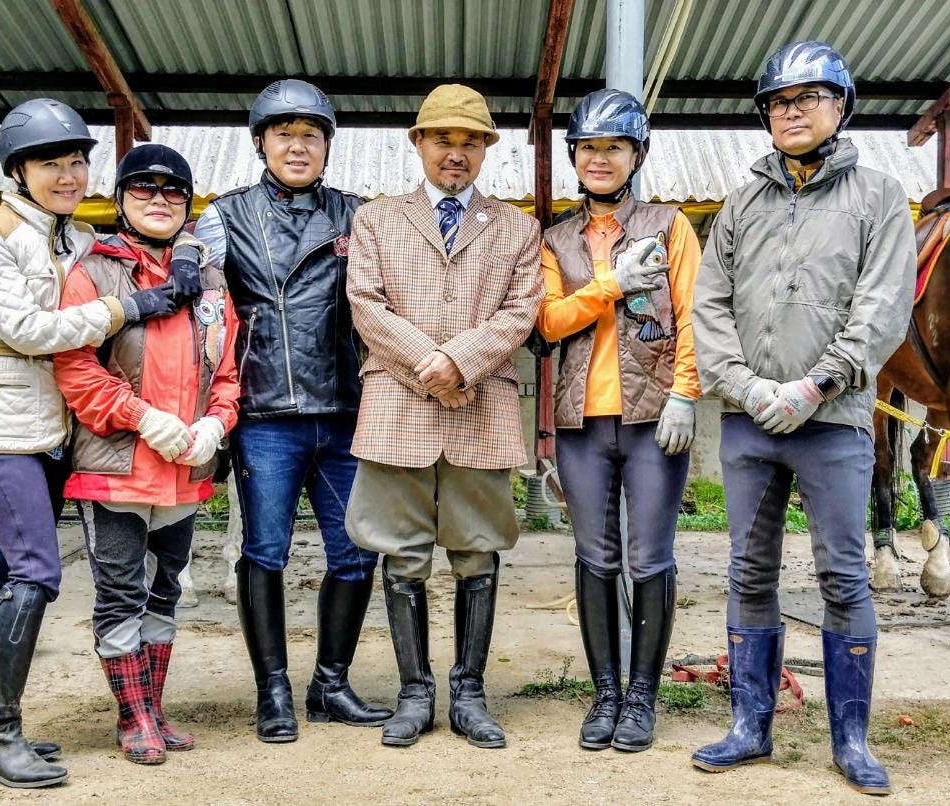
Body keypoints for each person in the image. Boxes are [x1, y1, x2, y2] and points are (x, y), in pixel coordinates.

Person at [690, 41, 914, 796]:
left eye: (808, 98)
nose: (792, 111)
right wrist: (744, 386)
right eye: (779, 102)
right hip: (749, 419)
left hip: (833, 419)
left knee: (843, 574)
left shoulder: (879, 198)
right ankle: (750, 727)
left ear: (840, 106)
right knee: (748, 571)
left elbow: (883, 306)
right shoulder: (741, 203)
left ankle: (851, 741)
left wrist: (817, 385)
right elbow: (709, 303)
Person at [0, 99, 192, 788]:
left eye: (77, 162)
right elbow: (28, 330)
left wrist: (181, 259)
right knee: (35, 570)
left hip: (56, 430)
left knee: (7, 574)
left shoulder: (74, 239)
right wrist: (127, 307)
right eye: (50, 164)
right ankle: (1, 740)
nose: (68, 176)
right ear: (18, 171)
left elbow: (142, 252)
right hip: (1, 428)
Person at [345, 84, 542, 750]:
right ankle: (413, 693)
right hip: (397, 406)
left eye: (469, 142)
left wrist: (460, 362)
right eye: (442, 140)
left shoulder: (516, 227)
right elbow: (366, 304)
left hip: (480, 407)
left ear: (486, 150)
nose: (455, 154)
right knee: (401, 554)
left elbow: (520, 312)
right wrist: (431, 367)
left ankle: (469, 693)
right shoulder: (377, 219)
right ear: (418, 143)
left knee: (477, 550)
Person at [192, 79, 388, 743]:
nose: (298, 146)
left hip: (345, 412)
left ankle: (330, 684)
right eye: (284, 134)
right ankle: (272, 690)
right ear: (260, 143)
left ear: (327, 146)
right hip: (266, 413)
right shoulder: (225, 217)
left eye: (311, 134)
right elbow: (203, 310)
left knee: (356, 552)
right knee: (265, 551)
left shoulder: (360, 216)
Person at [53, 144, 239, 765]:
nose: (159, 200)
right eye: (143, 188)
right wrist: (142, 417)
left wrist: (216, 422)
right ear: (121, 199)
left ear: (188, 204)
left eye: (172, 191)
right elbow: (76, 368)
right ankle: (132, 718)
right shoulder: (94, 273)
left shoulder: (210, 281)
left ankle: (153, 709)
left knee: (165, 592)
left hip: (184, 468)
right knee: (121, 592)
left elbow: (228, 371)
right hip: (116, 468)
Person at [535, 89, 700, 753]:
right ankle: (605, 694)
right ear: (574, 156)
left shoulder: (670, 226)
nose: (599, 158)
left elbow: (692, 315)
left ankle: (641, 698)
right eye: (588, 148)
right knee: (595, 558)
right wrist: (609, 284)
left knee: (649, 556)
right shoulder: (555, 240)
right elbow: (548, 323)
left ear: (637, 154)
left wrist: (686, 393)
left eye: (613, 147)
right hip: (581, 421)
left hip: (653, 418)